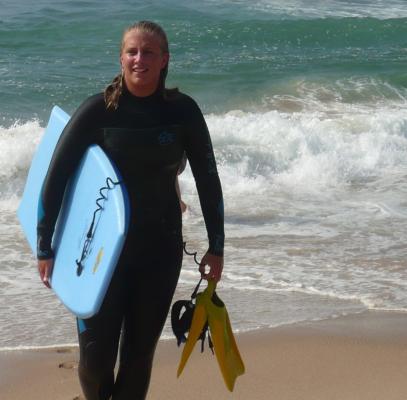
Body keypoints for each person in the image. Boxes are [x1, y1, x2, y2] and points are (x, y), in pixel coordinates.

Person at [36, 21, 224, 400]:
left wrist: (216, 246)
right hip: (98, 256)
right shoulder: (97, 111)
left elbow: (207, 177)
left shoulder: (183, 112)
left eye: (149, 52)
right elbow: (55, 178)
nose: (140, 59)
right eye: (133, 52)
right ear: (120, 58)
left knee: (139, 356)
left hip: (159, 248)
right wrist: (45, 245)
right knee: (96, 359)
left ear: (164, 59)